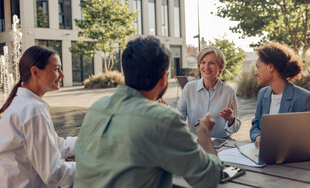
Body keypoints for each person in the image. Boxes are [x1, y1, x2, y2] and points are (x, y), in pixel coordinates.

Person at [74, 37, 224, 188]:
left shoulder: (97, 108)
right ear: (164, 79)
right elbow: (209, 179)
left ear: (125, 74)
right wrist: (204, 133)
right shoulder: (163, 119)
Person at [0, 46, 76, 188]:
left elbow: (57, 145)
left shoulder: (24, 104)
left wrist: (93, 140)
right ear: (35, 72)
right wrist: (97, 168)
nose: (62, 75)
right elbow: (54, 174)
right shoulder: (33, 110)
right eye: (56, 69)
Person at [250, 42, 310, 148]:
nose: (255, 73)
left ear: (271, 67)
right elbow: (256, 124)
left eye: (258, 67)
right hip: (265, 154)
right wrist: (257, 137)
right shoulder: (263, 94)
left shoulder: (304, 98)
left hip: (293, 158)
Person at [177, 46, 241, 139]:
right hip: (195, 142)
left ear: (220, 67)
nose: (206, 67)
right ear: (199, 66)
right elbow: (179, 118)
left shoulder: (229, 92)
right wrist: (168, 112)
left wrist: (231, 120)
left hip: (221, 143)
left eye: (212, 63)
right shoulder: (189, 88)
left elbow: (234, 129)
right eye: (203, 62)